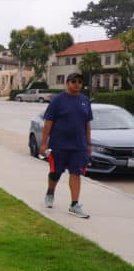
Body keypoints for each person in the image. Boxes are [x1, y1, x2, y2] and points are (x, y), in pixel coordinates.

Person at [40, 72, 92, 218]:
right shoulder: (57, 100)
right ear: (67, 83)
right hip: (59, 145)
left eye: (80, 82)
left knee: (76, 173)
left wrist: (88, 144)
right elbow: (48, 122)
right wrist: (44, 143)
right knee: (55, 173)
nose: (77, 84)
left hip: (79, 146)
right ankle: (50, 192)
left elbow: (87, 124)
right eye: (73, 81)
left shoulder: (85, 100)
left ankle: (74, 204)